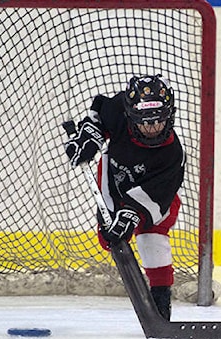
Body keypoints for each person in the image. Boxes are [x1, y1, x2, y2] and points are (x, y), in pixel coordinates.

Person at [64, 74, 184, 320]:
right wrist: (89, 138)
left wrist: (132, 213)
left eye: (158, 121)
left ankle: (161, 300)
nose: (152, 129)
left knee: (151, 237)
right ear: (130, 114)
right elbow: (98, 116)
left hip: (155, 199)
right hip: (115, 182)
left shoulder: (172, 153)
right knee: (110, 238)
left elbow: (159, 196)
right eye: (145, 122)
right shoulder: (119, 109)